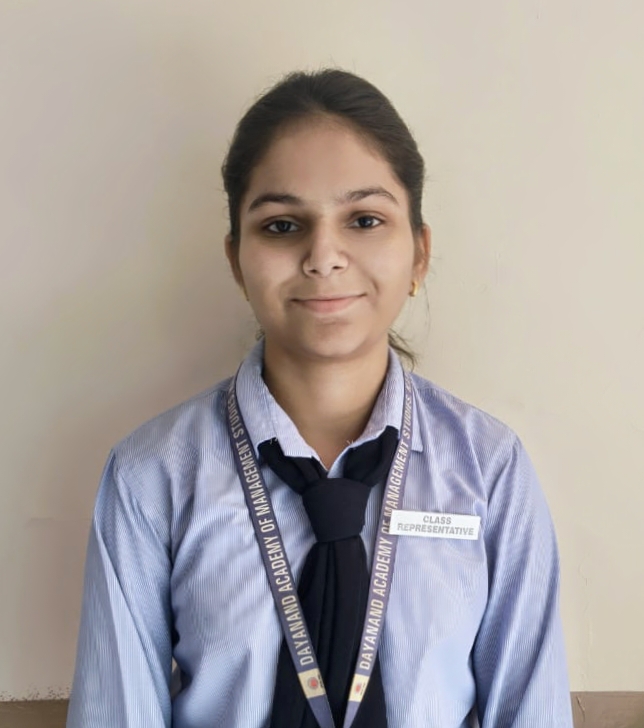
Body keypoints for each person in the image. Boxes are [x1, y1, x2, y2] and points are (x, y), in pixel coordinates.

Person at [67, 69, 573, 728]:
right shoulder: (151, 476)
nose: (323, 256)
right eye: (282, 225)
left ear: (419, 254)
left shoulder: (489, 469)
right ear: (235, 258)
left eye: (365, 220)